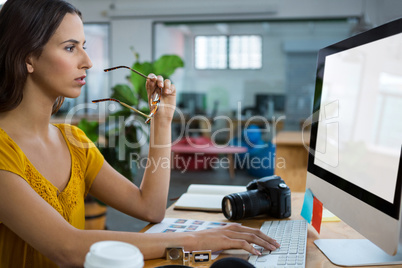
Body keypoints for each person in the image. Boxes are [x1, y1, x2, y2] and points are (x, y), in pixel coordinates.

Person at [0, 0, 280, 267]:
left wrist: (161, 120)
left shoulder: (73, 141)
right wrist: (193, 240)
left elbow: (150, 208)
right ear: (29, 58)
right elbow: (68, 247)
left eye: (84, 46)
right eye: (71, 48)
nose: (88, 61)